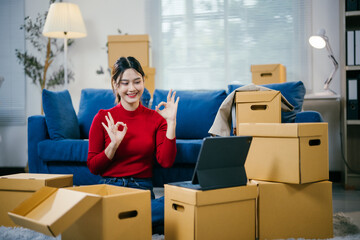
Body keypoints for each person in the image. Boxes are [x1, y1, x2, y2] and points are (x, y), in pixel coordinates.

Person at [87, 56, 179, 234]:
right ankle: (134, 221)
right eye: (125, 83)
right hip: (111, 188)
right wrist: (112, 146)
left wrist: (171, 123)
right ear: (115, 85)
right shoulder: (102, 117)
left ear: (143, 81)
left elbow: (166, 161)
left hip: (141, 191)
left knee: (175, 202)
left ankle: (118, 222)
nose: (132, 88)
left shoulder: (156, 119)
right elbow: (93, 166)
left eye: (137, 82)